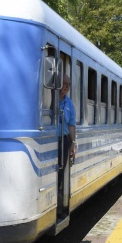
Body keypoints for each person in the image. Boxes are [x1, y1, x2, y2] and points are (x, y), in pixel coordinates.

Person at [57, 74, 76, 218]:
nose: (67, 87)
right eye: (64, 83)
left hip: (64, 140)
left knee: (60, 174)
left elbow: (71, 125)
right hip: (51, 139)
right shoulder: (49, 99)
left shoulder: (69, 104)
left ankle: (58, 208)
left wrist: (72, 143)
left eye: (69, 84)